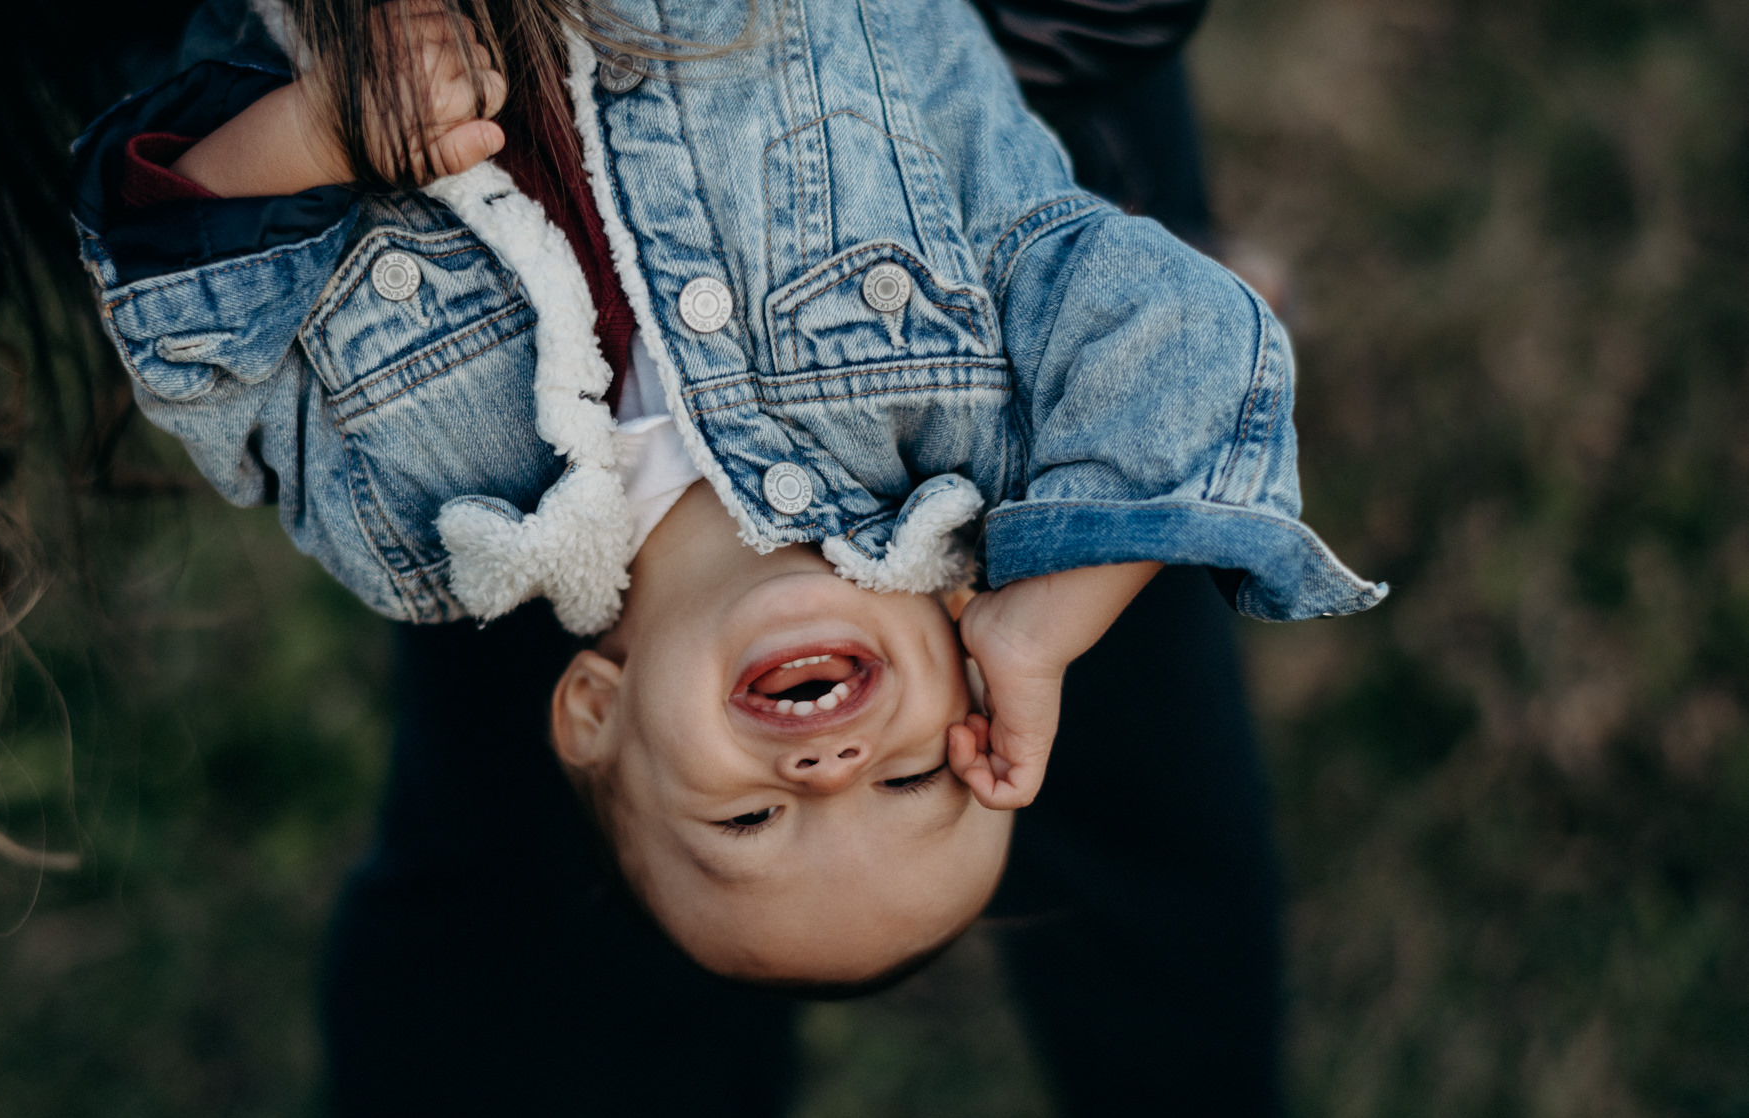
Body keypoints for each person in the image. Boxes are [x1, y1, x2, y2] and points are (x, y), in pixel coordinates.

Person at [67, 0, 1380, 984]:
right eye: (915, 777)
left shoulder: (412, 527)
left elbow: (185, 321)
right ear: (958, 646)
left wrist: (305, 136)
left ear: (592, 716)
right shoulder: (963, 394)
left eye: (750, 819)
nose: (826, 765)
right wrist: (1048, 621)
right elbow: (1183, 332)